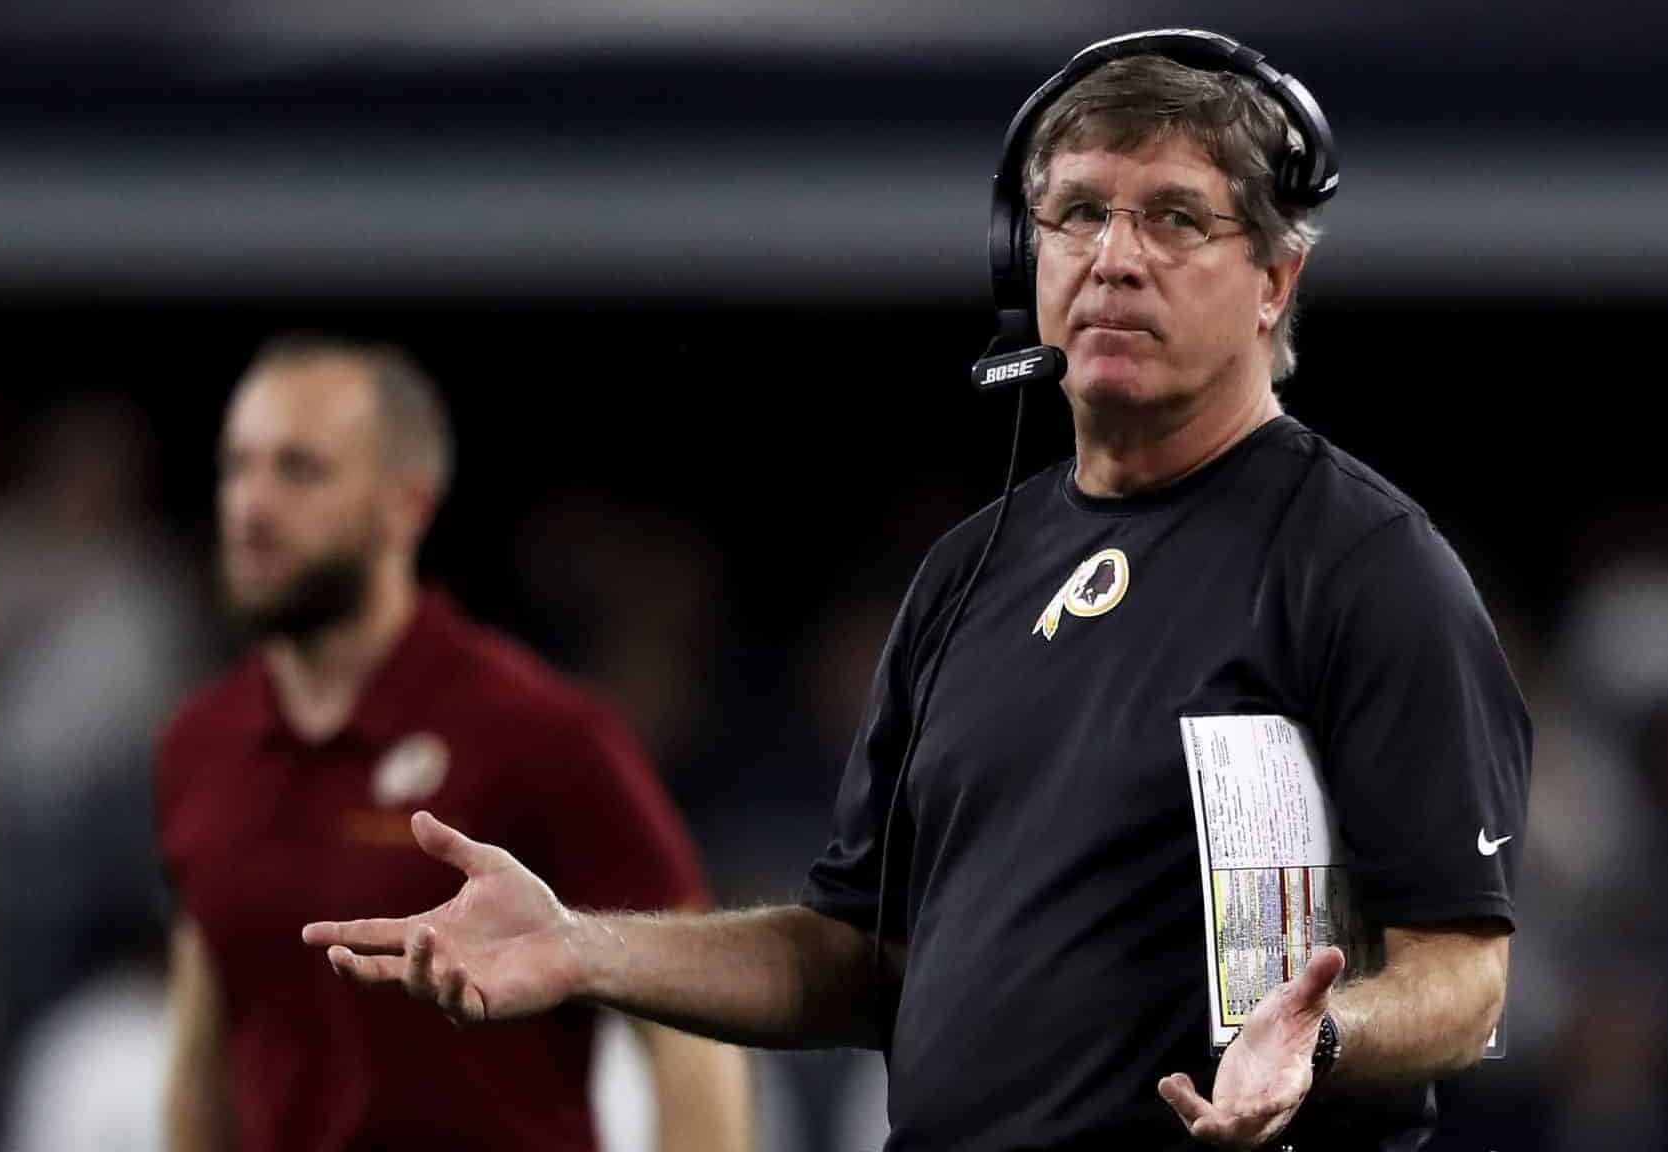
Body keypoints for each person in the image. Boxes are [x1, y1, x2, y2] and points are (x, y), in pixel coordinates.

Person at [305, 31, 1531, 1152]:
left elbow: (1463, 978)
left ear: (1273, 277)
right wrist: (580, 947)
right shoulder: (970, 570)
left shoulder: (1362, 565)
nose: (1112, 259)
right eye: (1077, 213)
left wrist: (1314, 1042)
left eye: (1173, 220)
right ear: (1025, 254)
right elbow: (857, 956)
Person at [157, 335, 753, 1152]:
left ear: (407, 503)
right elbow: (203, 1048)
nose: (251, 506)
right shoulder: (198, 745)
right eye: (237, 467)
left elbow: (693, 1037)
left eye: (299, 470)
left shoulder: (541, 732)